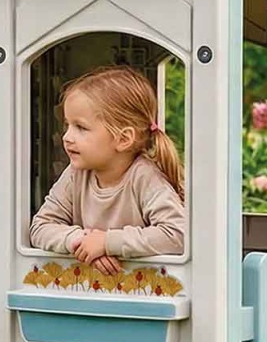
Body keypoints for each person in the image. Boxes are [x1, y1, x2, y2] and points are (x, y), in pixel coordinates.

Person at [30, 65, 185, 274]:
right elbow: (40, 227)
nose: (67, 137)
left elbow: (177, 234)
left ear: (123, 139)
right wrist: (82, 241)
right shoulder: (76, 174)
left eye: (81, 127)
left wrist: (107, 243)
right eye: (67, 125)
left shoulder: (144, 177)